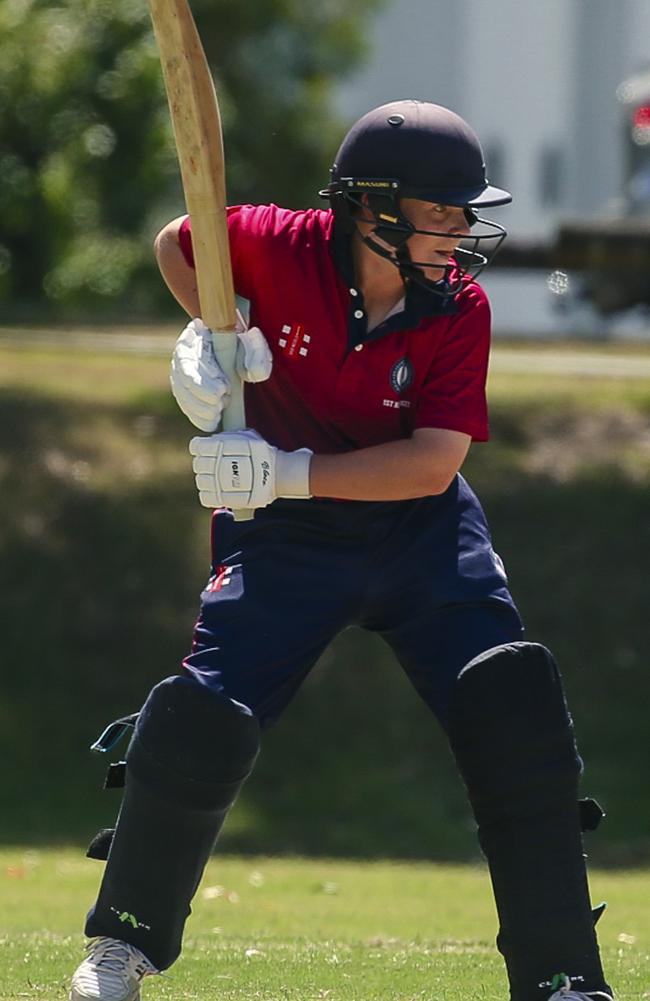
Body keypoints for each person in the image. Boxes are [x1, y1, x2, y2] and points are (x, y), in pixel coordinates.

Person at [69, 100, 614, 1001]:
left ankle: (564, 978)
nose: (461, 231)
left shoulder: (458, 306)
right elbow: (178, 239)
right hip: (285, 545)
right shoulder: (277, 242)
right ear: (371, 206)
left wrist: (284, 472)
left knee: (511, 702)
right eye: (441, 211)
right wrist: (218, 323)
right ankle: (119, 948)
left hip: (419, 535)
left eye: (464, 212)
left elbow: (433, 466)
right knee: (203, 713)